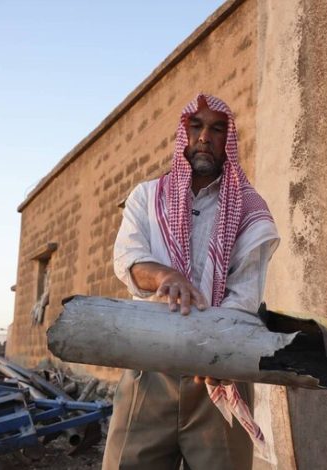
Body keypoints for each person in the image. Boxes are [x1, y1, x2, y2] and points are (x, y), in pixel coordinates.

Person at [104, 93, 280, 470]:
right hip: (150, 367)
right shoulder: (147, 197)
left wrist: (213, 349)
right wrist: (165, 275)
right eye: (196, 126)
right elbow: (128, 260)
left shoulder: (251, 211)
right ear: (183, 134)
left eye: (217, 129)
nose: (205, 137)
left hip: (218, 372)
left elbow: (244, 295)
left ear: (228, 140)